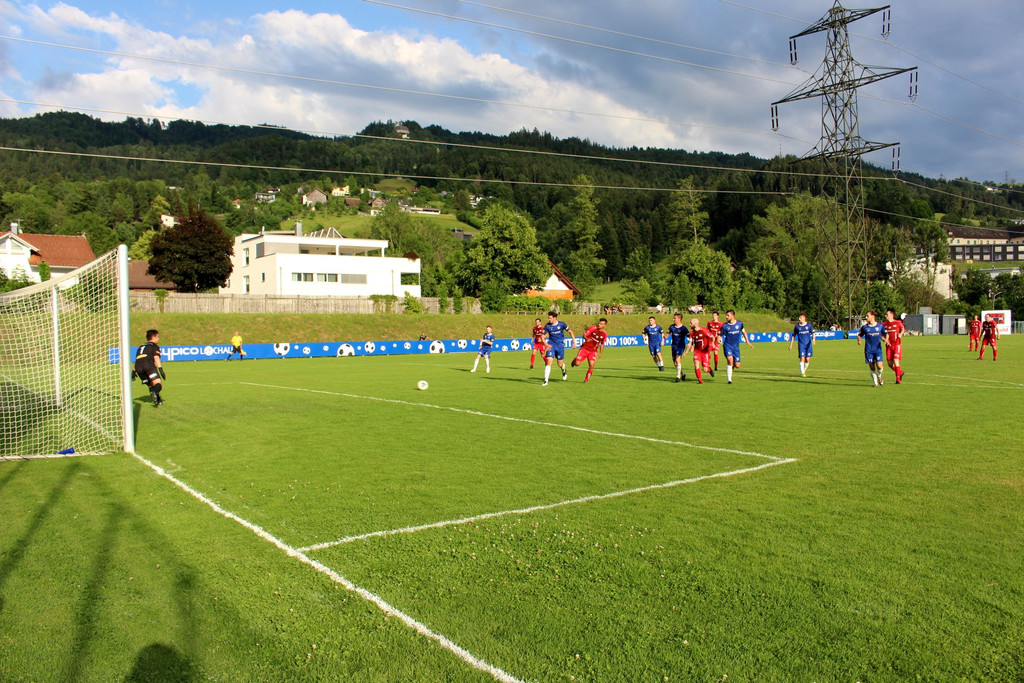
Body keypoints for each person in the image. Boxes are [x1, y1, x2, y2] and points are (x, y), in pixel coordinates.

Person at [719, 309, 754, 384]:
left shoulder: (740, 324)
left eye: (728, 315)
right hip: (727, 345)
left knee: (737, 365)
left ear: (733, 315)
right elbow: (719, 335)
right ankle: (729, 380)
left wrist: (747, 341)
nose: (726, 317)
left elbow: (744, 332)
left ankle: (731, 368)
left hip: (736, 347)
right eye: (726, 315)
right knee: (730, 360)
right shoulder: (724, 326)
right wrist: (719, 339)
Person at [571, 318, 609, 383]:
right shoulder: (593, 328)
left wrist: (600, 353)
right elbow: (584, 335)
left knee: (591, 365)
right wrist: (586, 339)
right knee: (577, 364)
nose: (599, 324)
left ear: (604, 325)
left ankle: (586, 379)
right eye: (599, 323)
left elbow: (602, 344)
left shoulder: (605, 334)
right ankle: (574, 360)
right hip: (585, 349)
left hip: (593, 351)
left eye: (601, 324)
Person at [134, 329, 166, 406]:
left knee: (151, 385)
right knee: (158, 383)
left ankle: (158, 400)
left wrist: (133, 371)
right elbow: (156, 358)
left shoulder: (141, 346)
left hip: (138, 367)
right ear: (153, 337)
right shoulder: (154, 346)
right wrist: (160, 369)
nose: (158, 338)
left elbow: (138, 358)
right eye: (157, 336)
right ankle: (155, 393)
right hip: (148, 365)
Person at [542, 311, 574, 386]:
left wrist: (574, 342)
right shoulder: (547, 326)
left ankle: (563, 369)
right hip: (551, 345)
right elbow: (542, 337)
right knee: (549, 361)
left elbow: (570, 331)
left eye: (550, 318)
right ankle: (546, 381)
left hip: (560, 346)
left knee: (560, 364)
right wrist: (546, 344)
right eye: (548, 318)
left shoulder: (561, 324)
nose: (549, 320)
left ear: (554, 318)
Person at [857, 310, 887, 386]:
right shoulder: (865, 327)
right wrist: (859, 340)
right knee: (872, 367)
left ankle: (879, 376)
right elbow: (859, 335)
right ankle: (875, 383)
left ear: (873, 316)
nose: (866, 317)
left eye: (867, 316)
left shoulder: (880, 326)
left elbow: (885, 334)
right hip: (868, 350)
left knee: (879, 366)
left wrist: (885, 340)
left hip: (878, 350)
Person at [687, 318, 716, 384]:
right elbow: (690, 343)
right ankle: (700, 380)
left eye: (691, 323)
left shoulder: (703, 330)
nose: (690, 324)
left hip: (705, 352)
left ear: (695, 324)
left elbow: (712, 337)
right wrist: (687, 350)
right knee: (696, 363)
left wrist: (712, 343)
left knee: (705, 369)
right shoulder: (692, 333)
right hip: (697, 351)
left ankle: (709, 370)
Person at [883, 308, 906, 383]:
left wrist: (901, 334)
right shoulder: (884, 324)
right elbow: (880, 334)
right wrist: (884, 339)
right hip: (888, 346)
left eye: (887, 314)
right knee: (890, 364)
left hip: (896, 345)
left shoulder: (898, 322)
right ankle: (900, 372)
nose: (885, 315)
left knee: (896, 361)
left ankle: (898, 379)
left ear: (892, 315)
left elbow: (903, 329)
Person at [788, 313, 815, 377]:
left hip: (808, 344)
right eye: (799, 317)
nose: (799, 319)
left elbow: (813, 333)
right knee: (802, 358)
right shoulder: (797, 327)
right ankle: (802, 373)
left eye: (800, 317)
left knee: (807, 359)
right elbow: (793, 336)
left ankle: (804, 370)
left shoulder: (809, 326)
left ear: (804, 318)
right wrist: (791, 344)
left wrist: (814, 339)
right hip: (801, 345)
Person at [666, 312, 690, 383]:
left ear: (679, 319)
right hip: (673, 346)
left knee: (677, 359)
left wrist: (690, 344)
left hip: (681, 345)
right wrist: (665, 336)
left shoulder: (684, 328)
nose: (673, 319)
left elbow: (689, 336)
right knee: (675, 363)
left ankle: (677, 377)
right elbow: (667, 333)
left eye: (675, 318)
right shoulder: (672, 327)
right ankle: (682, 374)